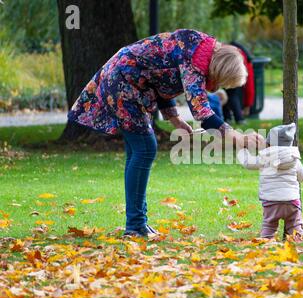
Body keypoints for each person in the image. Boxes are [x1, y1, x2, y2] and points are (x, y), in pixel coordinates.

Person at [68, 29, 265, 238]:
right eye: (223, 82)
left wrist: (174, 119)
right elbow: (203, 114)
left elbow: (160, 75)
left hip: (130, 80)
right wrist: (241, 138)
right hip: (124, 81)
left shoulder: (198, 47)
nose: (217, 87)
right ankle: (135, 225)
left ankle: (137, 223)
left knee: (138, 150)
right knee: (145, 148)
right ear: (219, 70)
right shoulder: (196, 62)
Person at [237, 123, 303, 242]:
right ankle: (297, 241)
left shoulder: (265, 157)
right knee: (295, 224)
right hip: (292, 201)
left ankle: (267, 241)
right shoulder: (294, 159)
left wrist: (241, 149)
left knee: (269, 225)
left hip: (271, 202)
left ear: (269, 143)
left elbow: (248, 163)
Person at [222, 41, 255, 124]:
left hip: (222, 72)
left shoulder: (225, 50)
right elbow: (249, 86)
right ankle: (239, 118)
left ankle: (227, 118)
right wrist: (248, 105)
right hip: (235, 73)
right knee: (232, 95)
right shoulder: (245, 59)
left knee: (226, 93)